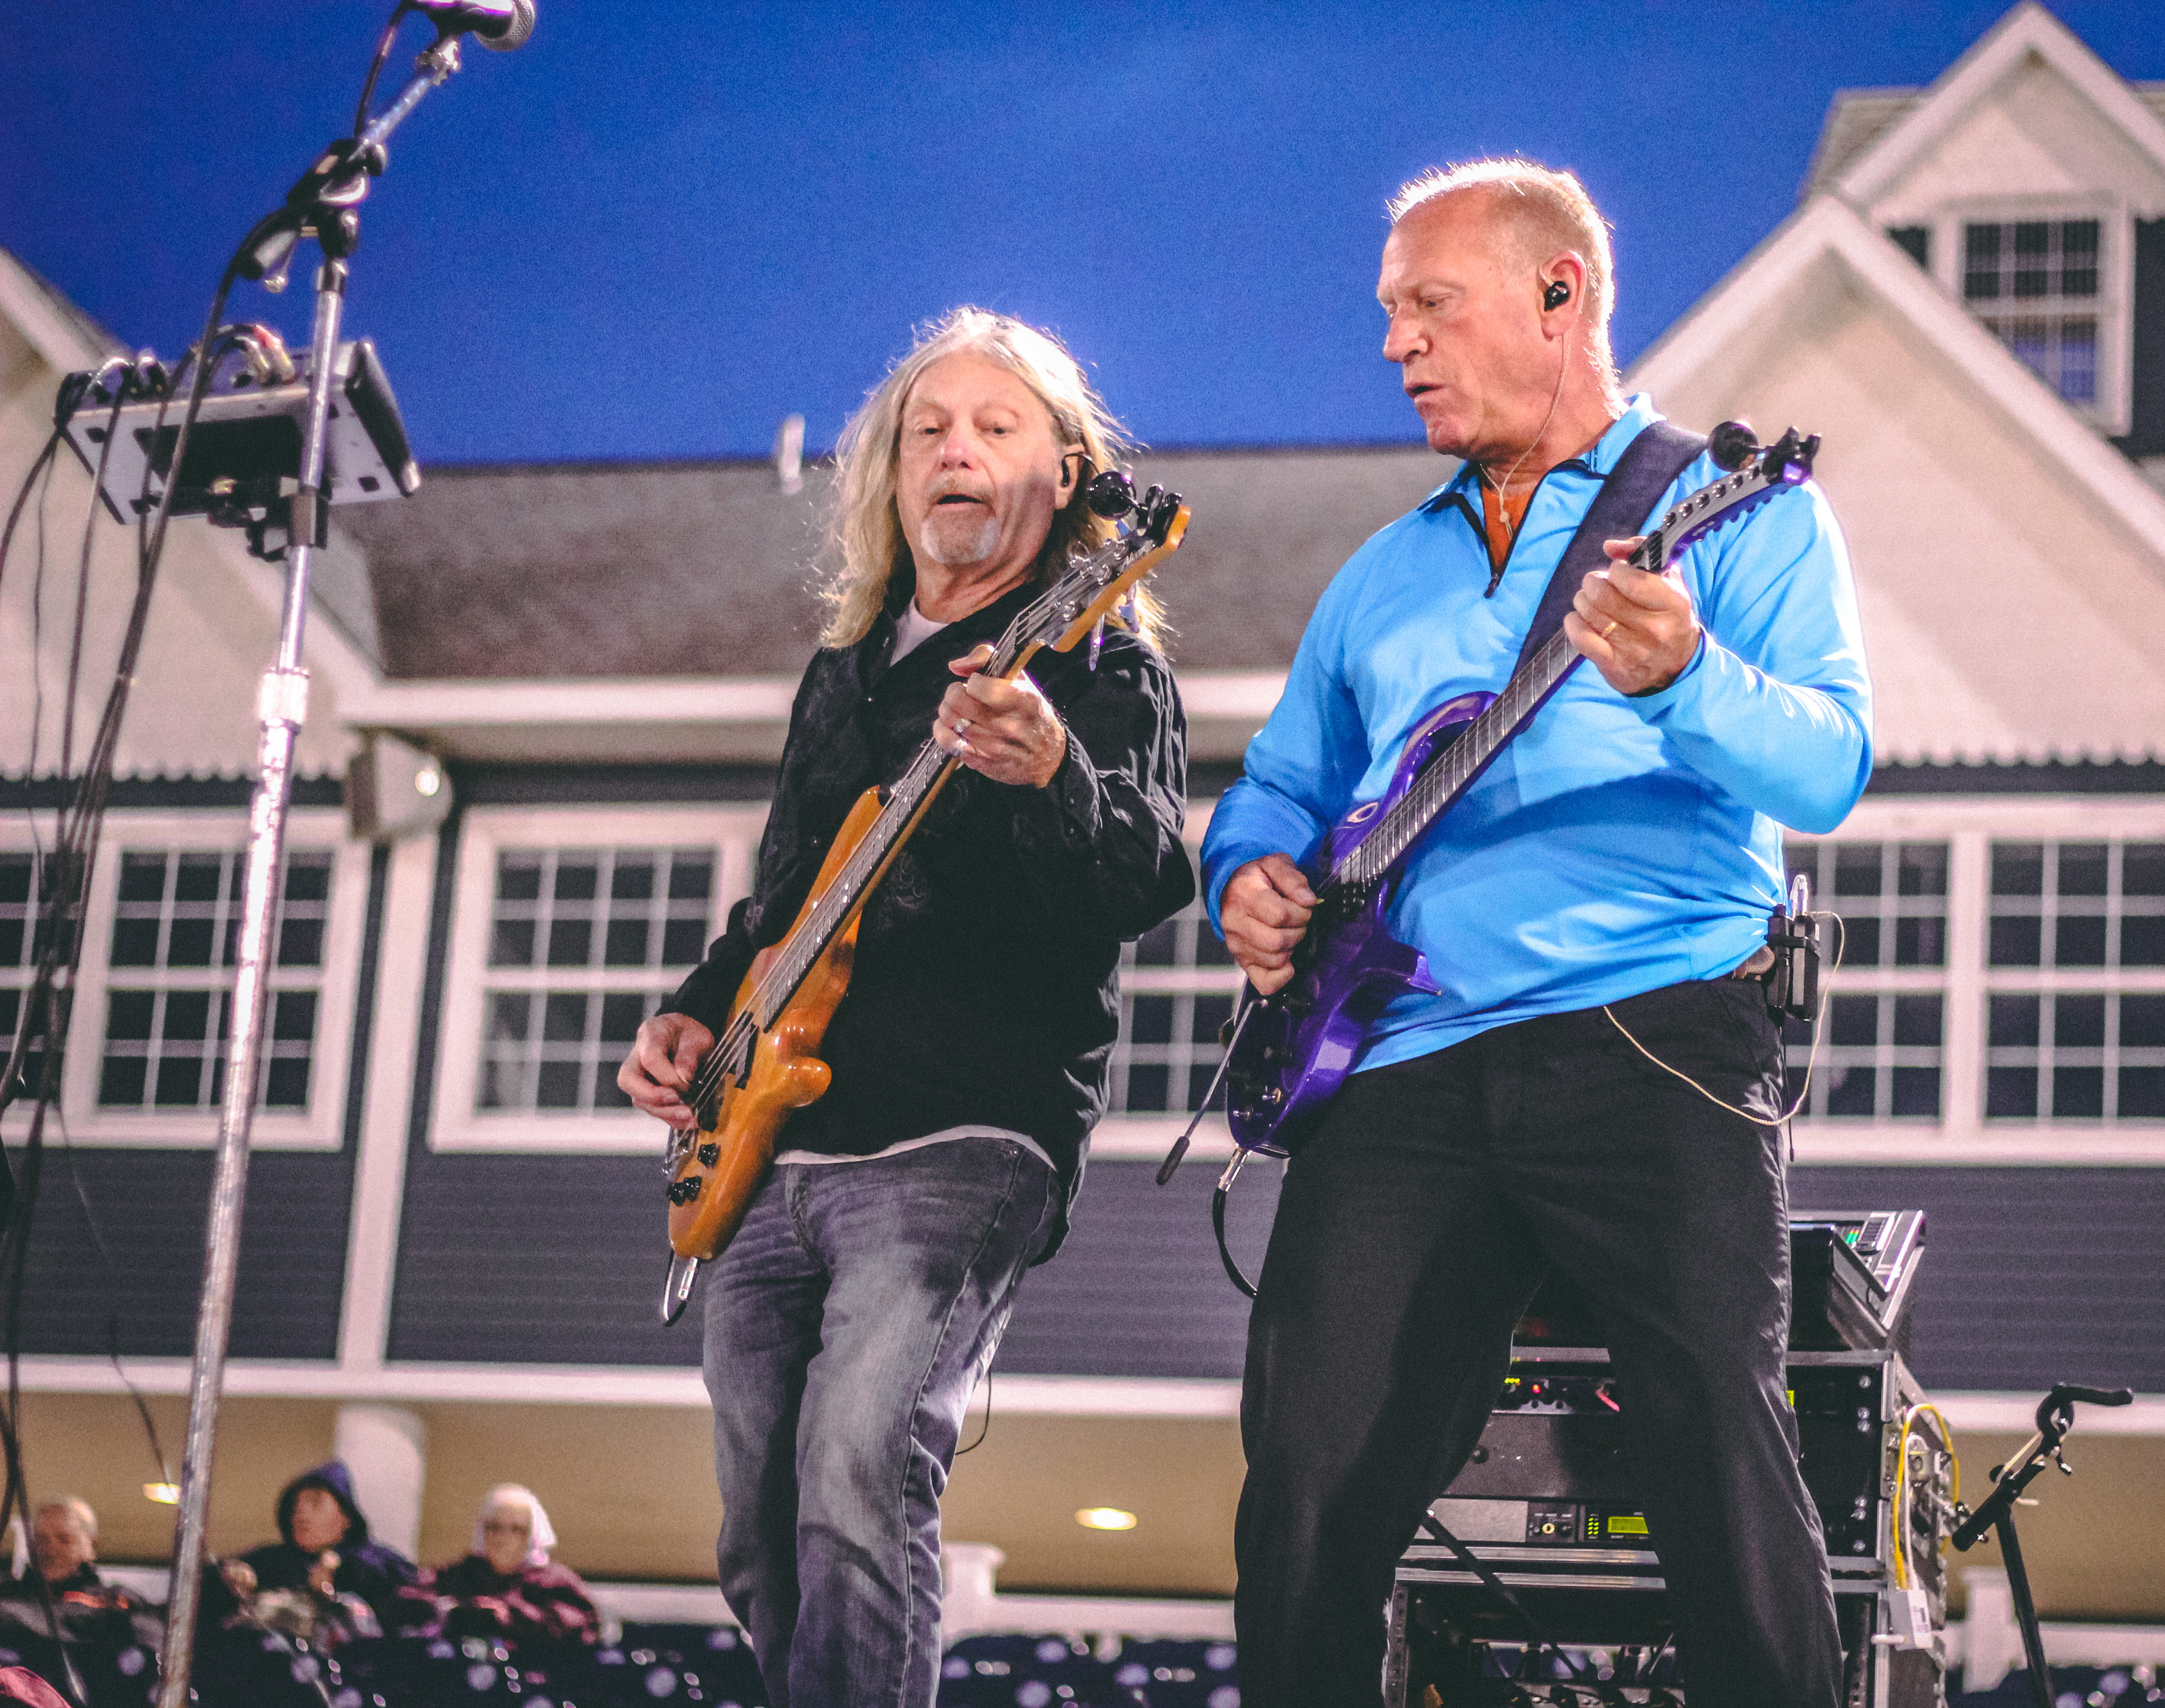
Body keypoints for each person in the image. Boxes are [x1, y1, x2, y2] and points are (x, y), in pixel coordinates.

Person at [1206, 159, 1872, 1705]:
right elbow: (1282, 790)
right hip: (1409, 1062)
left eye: (1430, 305)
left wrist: (1685, 679)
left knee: (1716, 1431)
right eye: (1391, 314)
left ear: (1559, 297)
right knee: (1305, 1467)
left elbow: (1828, 765)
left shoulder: (1741, 511)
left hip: (1654, 1030)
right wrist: (1248, 874)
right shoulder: (1383, 571)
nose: (1397, 344)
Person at [618, 307, 1192, 1708]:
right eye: (928, 428)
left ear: (1064, 476)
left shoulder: (1097, 665)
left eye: (997, 426)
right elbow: (785, 895)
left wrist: (1049, 770)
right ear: (889, 475)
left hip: (962, 1136)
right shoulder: (845, 671)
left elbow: (1151, 874)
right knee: (758, 1532)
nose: (957, 450)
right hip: (772, 1141)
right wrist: (700, 1013)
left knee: (860, 1471)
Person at [222, 1461, 433, 1639]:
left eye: (315, 1503)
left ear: (346, 1518)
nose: (301, 1514)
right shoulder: (271, 1559)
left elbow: (405, 1586)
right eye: (295, 1506)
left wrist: (340, 1570)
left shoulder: (374, 1559)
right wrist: (233, 1575)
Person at [432, 1485, 599, 1644]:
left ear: (533, 1534)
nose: (503, 1538)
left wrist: (511, 1616)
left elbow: (584, 1626)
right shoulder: (461, 1574)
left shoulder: (554, 1581)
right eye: (495, 1527)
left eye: (516, 1529)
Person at [0, 1496, 153, 1650]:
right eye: (41, 1539)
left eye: (64, 1539)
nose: (50, 1550)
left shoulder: (121, 1605)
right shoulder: (6, 1595)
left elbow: (156, 1659)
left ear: (92, 1546)